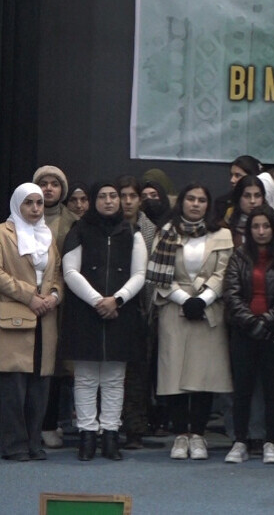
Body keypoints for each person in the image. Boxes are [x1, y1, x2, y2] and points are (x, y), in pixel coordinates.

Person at [60, 182, 147, 461]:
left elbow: (139, 274)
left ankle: (110, 434)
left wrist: (117, 299)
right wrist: (98, 300)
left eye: (113, 196)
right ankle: (87, 435)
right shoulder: (79, 230)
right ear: (93, 200)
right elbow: (70, 271)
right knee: (85, 378)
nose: (109, 201)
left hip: (121, 312)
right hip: (86, 310)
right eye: (102, 196)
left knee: (114, 379)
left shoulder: (132, 232)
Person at [147, 184, 234, 461]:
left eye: (201, 200)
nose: (196, 204)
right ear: (181, 202)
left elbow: (224, 272)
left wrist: (203, 299)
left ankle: (198, 434)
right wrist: (185, 300)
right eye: (191, 199)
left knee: (203, 375)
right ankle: (180, 435)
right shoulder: (165, 232)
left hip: (209, 310)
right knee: (174, 374)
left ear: (208, 205)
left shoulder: (222, 234)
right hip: (174, 307)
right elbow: (160, 275)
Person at [222, 205, 274, 465]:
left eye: (266, 226)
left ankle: (270, 441)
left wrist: (267, 321)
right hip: (243, 332)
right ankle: (240, 440)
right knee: (242, 389)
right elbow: (231, 293)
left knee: (273, 391)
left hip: (273, 333)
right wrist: (251, 322)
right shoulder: (238, 257)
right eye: (255, 226)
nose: (261, 231)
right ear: (248, 230)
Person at [0, 183, 62, 462]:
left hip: (44, 318)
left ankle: (34, 443)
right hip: (14, 318)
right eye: (29, 203)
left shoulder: (47, 236)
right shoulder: (3, 234)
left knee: (40, 385)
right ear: (17, 204)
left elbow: (57, 273)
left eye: (39, 203)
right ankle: (14, 445)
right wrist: (30, 296)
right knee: (13, 387)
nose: (36, 208)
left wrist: (54, 296)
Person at [32, 166, 76, 450]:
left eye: (54, 184)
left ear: (62, 190)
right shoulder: (20, 220)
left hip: (64, 302)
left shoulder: (74, 222)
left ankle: (50, 423)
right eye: (43, 184)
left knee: (57, 365)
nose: (48, 189)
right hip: (28, 301)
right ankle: (28, 425)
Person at [115, 175, 159, 450]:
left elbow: (154, 274)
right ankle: (108, 427)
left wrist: (149, 310)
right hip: (111, 304)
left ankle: (135, 429)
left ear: (140, 200)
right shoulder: (107, 226)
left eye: (133, 196)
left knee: (138, 375)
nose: (128, 201)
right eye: (123, 196)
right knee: (111, 373)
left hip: (141, 308)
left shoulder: (151, 230)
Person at [222, 175, 267, 247]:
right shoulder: (225, 227)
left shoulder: (273, 225)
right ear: (238, 198)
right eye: (247, 196)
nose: (252, 201)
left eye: (257, 196)